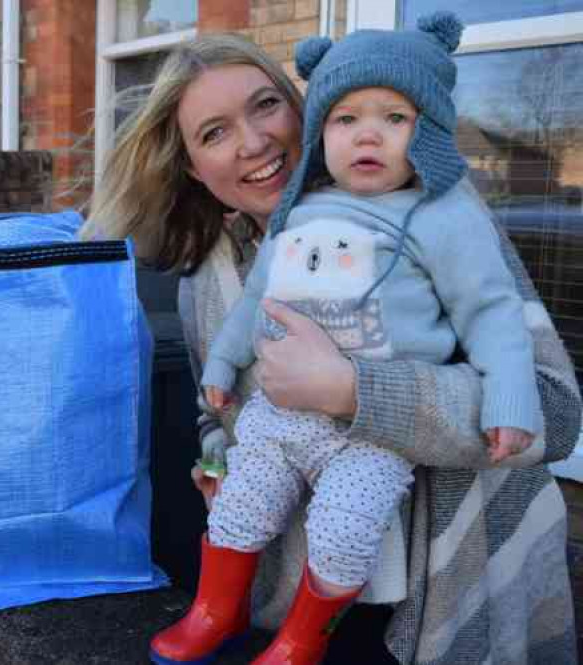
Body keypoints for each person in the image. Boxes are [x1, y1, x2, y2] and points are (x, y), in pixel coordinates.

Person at [80, 26, 580, 665]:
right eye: (214, 132)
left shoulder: (434, 218)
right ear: (193, 167)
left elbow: (555, 414)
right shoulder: (208, 278)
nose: (254, 141)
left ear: (304, 109)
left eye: (266, 105)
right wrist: (216, 464)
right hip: (295, 601)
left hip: (438, 598)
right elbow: (217, 414)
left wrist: (357, 391)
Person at [194, 14, 540, 665]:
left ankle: (303, 637)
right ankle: (217, 608)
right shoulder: (291, 220)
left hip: (376, 439)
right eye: (346, 118)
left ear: (428, 131)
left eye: (395, 117)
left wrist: (508, 399)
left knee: (344, 528)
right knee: (240, 503)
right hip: (279, 422)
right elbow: (251, 307)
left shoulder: (444, 215)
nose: (368, 134)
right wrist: (217, 394)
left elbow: (494, 315)